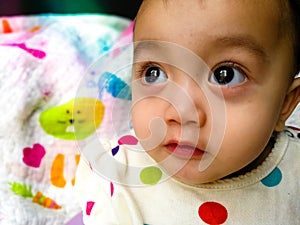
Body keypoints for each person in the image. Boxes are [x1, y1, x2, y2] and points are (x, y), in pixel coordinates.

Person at [75, 0, 300, 224]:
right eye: (154, 73)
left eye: (225, 75)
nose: (182, 112)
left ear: (285, 104)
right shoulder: (118, 175)